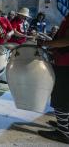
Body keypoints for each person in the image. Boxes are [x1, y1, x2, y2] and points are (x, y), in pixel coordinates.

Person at [37, 13, 69, 144]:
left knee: (60, 98)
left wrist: (47, 43)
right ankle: (65, 125)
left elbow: (67, 40)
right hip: (64, 62)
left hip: (66, 64)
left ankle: (64, 133)